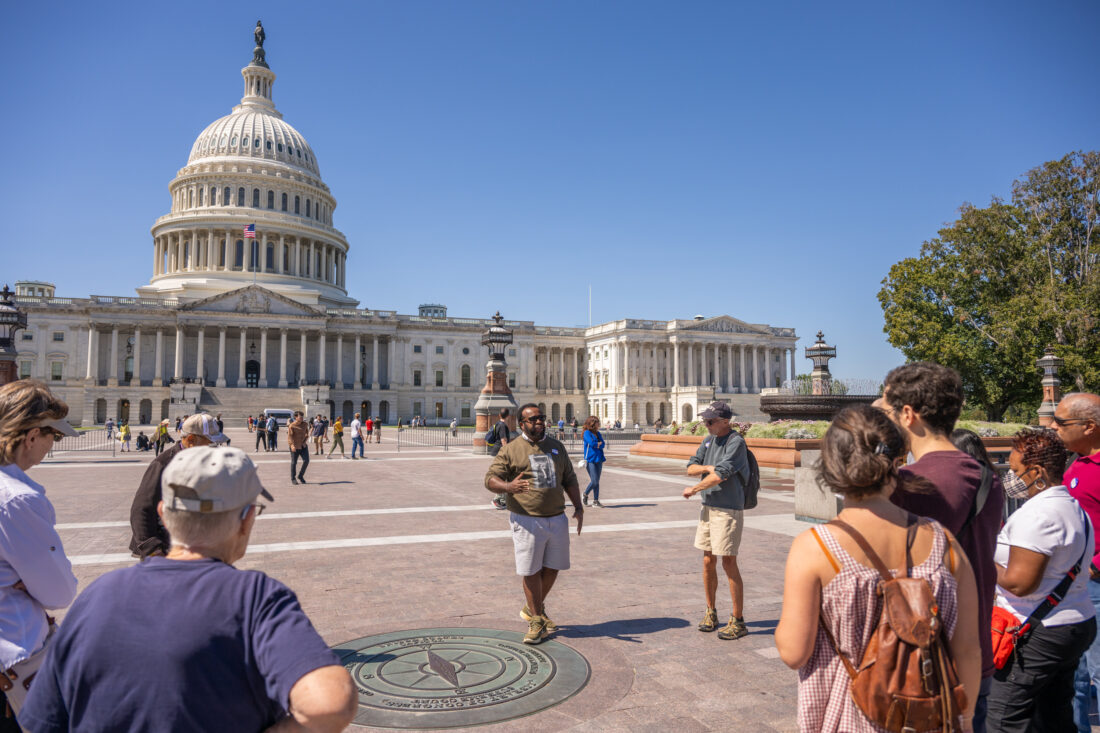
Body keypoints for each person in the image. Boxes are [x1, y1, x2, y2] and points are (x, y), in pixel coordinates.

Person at [19, 446, 358, 732]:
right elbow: (331, 702)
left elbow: (40, 721)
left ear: (164, 515)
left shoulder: (97, 595)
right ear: (246, 520)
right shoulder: (256, 598)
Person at [775, 405, 981, 732]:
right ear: (896, 462)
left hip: (849, 716)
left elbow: (793, 652)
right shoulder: (944, 542)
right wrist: (965, 721)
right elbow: (968, 649)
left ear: (830, 466)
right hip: (928, 718)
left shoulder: (815, 547)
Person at [882, 362, 1004, 729]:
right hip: (975, 646)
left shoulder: (908, 484)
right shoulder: (986, 477)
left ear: (908, 413)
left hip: (922, 656)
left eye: (890, 412)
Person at [987, 428, 1097, 732]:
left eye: (1015, 470)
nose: (1010, 477)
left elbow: (1021, 583)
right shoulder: (1072, 506)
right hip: (1073, 622)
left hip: (1038, 632)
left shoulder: (1038, 515)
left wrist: (982, 558)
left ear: (1036, 471)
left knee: (1003, 717)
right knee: (1053, 715)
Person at [0, 380, 80, 718]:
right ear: (32, 435)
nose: (53, 446)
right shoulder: (18, 501)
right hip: (13, 661)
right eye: (55, 436)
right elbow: (59, 592)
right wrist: (28, 582)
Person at [485, 403, 583, 645]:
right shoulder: (512, 449)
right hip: (527, 518)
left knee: (553, 567)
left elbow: (569, 478)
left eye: (542, 418)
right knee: (530, 570)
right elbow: (490, 479)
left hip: (557, 516)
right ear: (522, 424)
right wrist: (508, 487)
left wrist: (579, 507)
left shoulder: (556, 447)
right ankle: (536, 619)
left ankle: (532, 608)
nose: (540, 422)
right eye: (533, 419)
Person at [683, 401, 753, 641]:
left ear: (726, 421)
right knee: (707, 560)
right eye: (705, 420)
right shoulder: (708, 440)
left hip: (728, 509)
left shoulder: (736, 443)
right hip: (709, 507)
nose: (706, 424)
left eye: (710, 421)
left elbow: (720, 476)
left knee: (729, 562)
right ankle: (711, 611)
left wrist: (694, 489)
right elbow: (690, 467)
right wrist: (707, 467)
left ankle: (738, 619)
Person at [1052, 393, 1100, 731]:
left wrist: (1095, 565)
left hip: (1095, 584)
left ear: (1089, 426)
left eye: (1060, 423)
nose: (1053, 428)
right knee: (1078, 679)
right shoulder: (1077, 463)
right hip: (1075, 587)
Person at [129, 413, 227, 558]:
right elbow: (141, 509)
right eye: (211, 444)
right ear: (191, 440)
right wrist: (153, 550)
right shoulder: (163, 465)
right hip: (167, 550)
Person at [489, 408, 512, 510]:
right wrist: (506, 452)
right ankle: (499, 500)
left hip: (496, 451)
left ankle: (501, 499)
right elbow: (503, 439)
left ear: (499, 415)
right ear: (508, 416)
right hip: (500, 452)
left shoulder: (498, 424)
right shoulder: (503, 426)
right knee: (503, 476)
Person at [581, 416, 606, 508]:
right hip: (590, 459)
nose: (598, 424)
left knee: (597, 481)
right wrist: (597, 444)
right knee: (594, 481)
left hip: (599, 458)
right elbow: (591, 443)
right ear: (592, 423)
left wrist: (598, 444)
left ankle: (596, 501)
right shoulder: (587, 433)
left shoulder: (598, 433)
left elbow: (603, 444)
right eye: (597, 422)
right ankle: (585, 494)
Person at [288, 411, 310, 485]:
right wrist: (292, 445)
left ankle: (300, 476)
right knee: (294, 462)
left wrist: (305, 442)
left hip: (303, 446)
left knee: (306, 461)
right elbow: (290, 436)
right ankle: (293, 478)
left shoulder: (305, 424)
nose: (302, 418)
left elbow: (307, 433)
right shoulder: (292, 426)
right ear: (296, 417)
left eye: (302, 417)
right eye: (300, 417)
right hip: (294, 446)